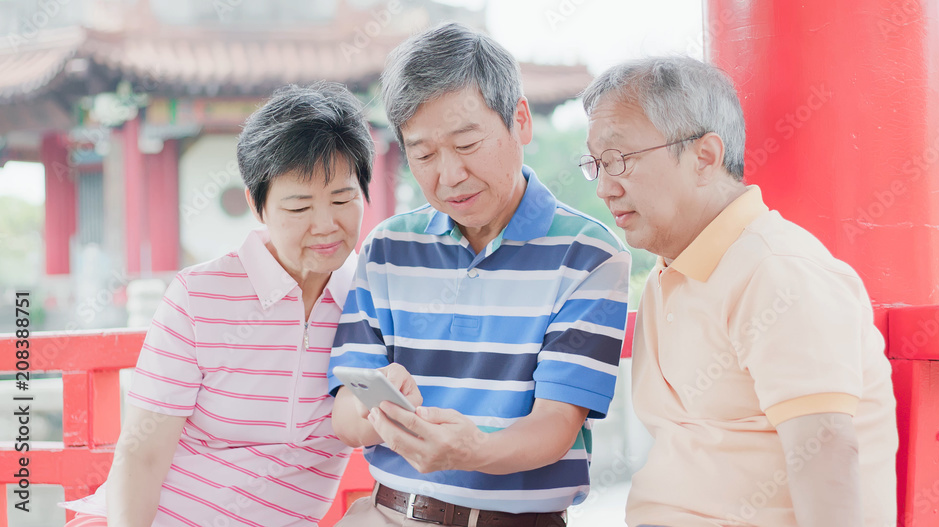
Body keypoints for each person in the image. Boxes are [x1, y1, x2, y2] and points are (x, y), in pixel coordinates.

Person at [328, 22, 632, 527]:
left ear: (520, 122)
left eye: (467, 144)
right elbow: (346, 415)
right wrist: (380, 410)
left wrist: (471, 450)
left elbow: (555, 424)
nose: (448, 176)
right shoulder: (386, 248)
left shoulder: (590, 256)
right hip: (386, 513)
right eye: (423, 154)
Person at [580, 57, 897, 527]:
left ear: (704, 156)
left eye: (619, 160)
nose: (605, 188)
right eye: (596, 165)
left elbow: (826, 457)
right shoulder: (669, 272)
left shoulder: (777, 271)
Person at [61, 81, 375, 526]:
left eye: (342, 199)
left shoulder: (373, 299)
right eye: (299, 207)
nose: (325, 225)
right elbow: (143, 451)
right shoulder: (198, 294)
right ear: (257, 204)